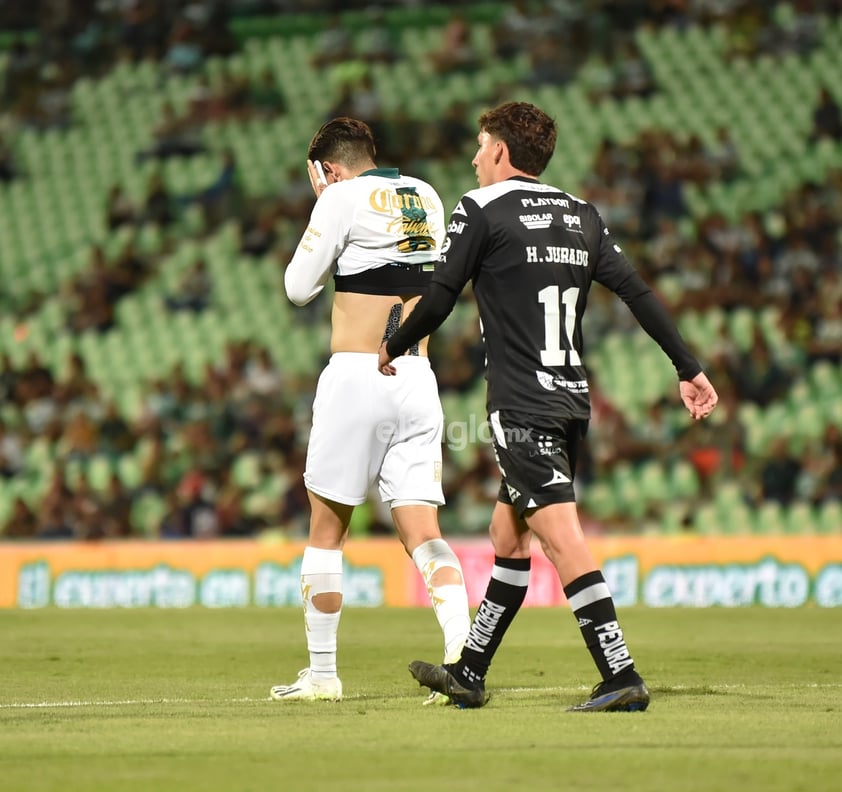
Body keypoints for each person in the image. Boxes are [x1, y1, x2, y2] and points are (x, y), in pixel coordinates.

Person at [378, 101, 719, 711]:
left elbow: (439, 296)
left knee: (562, 539)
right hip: (570, 400)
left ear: (502, 152)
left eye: (481, 147)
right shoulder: (580, 214)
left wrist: (394, 343)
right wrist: (687, 366)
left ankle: (620, 674)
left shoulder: (479, 208)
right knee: (507, 538)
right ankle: (471, 672)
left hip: (521, 403)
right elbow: (636, 292)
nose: (475, 158)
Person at [270, 117, 471, 703]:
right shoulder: (426, 194)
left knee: (326, 530)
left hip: (358, 372)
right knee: (424, 532)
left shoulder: (340, 198)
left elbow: (297, 288)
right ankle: (462, 657)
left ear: (328, 168)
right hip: (417, 376)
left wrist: (325, 204)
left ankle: (325, 674)